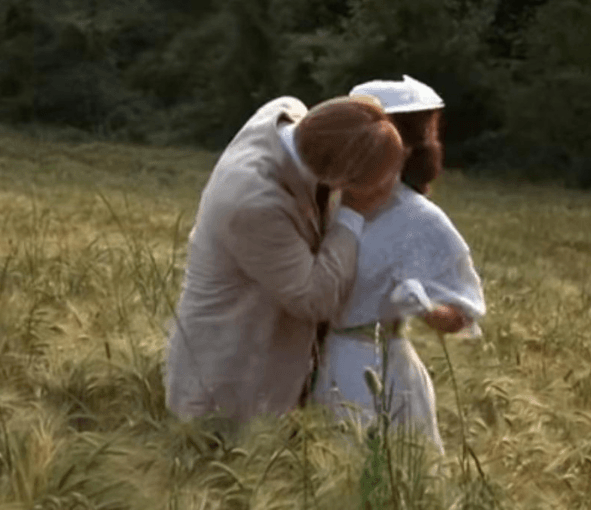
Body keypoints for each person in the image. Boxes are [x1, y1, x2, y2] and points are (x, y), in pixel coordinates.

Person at [163, 95, 407, 428]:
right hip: (227, 378)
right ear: (342, 178)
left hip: (273, 367)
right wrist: (354, 209)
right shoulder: (252, 200)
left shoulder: (289, 115)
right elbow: (313, 299)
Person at [311, 76, 486, 454]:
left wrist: (425, 308)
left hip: (377, 372)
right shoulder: (324, 201)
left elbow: (460, 314)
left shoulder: (420, 220)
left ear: (404, 149)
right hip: (309, 364)